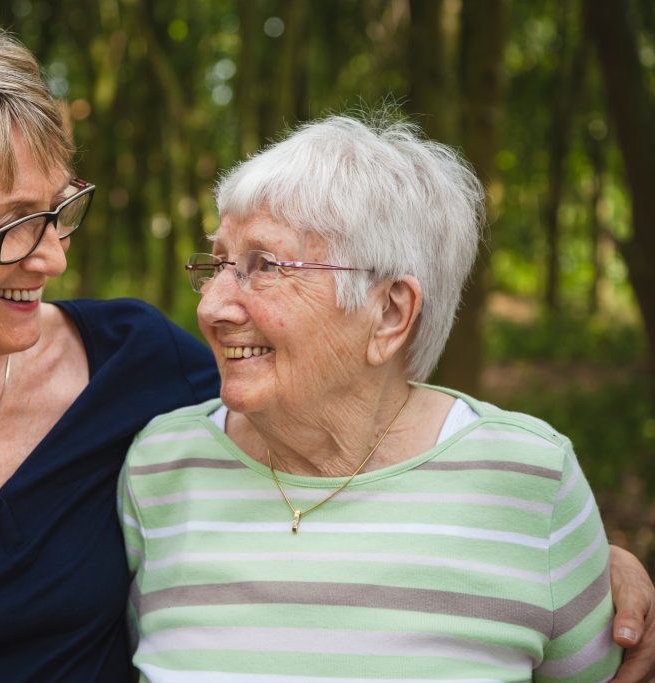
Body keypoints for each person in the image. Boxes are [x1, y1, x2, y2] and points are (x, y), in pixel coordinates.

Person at [0, 6, 655, 683]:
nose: (49, 256)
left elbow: (336, 409)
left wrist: (565, 554)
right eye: (9, 225)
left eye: (60, 210)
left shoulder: (139, 366)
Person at [119, 114, 647, 682]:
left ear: (390, 313)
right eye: (219, 263)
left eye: (264, 266)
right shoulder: (161, 466)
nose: (212, 307)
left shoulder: (528, 481)